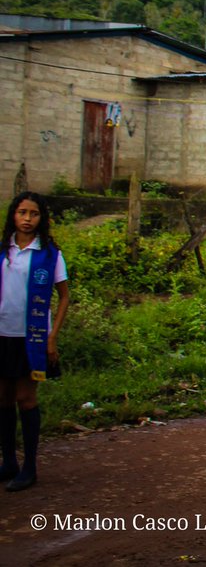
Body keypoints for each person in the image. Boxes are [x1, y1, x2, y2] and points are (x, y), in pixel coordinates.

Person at [0, 192, 69, 491]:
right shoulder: (3, 250)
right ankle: (8, 462)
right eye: (22, 212)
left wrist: (52, 337)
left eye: (34, 213)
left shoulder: (49, 254)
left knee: (25, 398)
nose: (27, 219)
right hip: (2, 334)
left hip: (32, 338)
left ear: (42, 218)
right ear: (13, 215)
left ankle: (29, 466)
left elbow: (64, 296)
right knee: (3, 398)